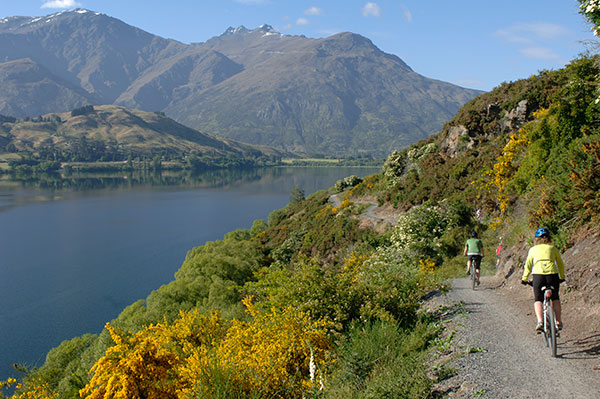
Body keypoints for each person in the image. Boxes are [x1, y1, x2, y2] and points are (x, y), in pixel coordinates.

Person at [521, 227, 565, 333]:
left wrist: (524, 278)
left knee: (538, 299)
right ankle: (558, 321)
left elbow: (528, 265)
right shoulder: (553, 248)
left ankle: (540, 321)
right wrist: (562, 277)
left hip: (538, 276)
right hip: (552, 275)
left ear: (536, 239)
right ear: (549, 238)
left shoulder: (533, 250)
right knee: (555, 298)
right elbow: (560, 263)